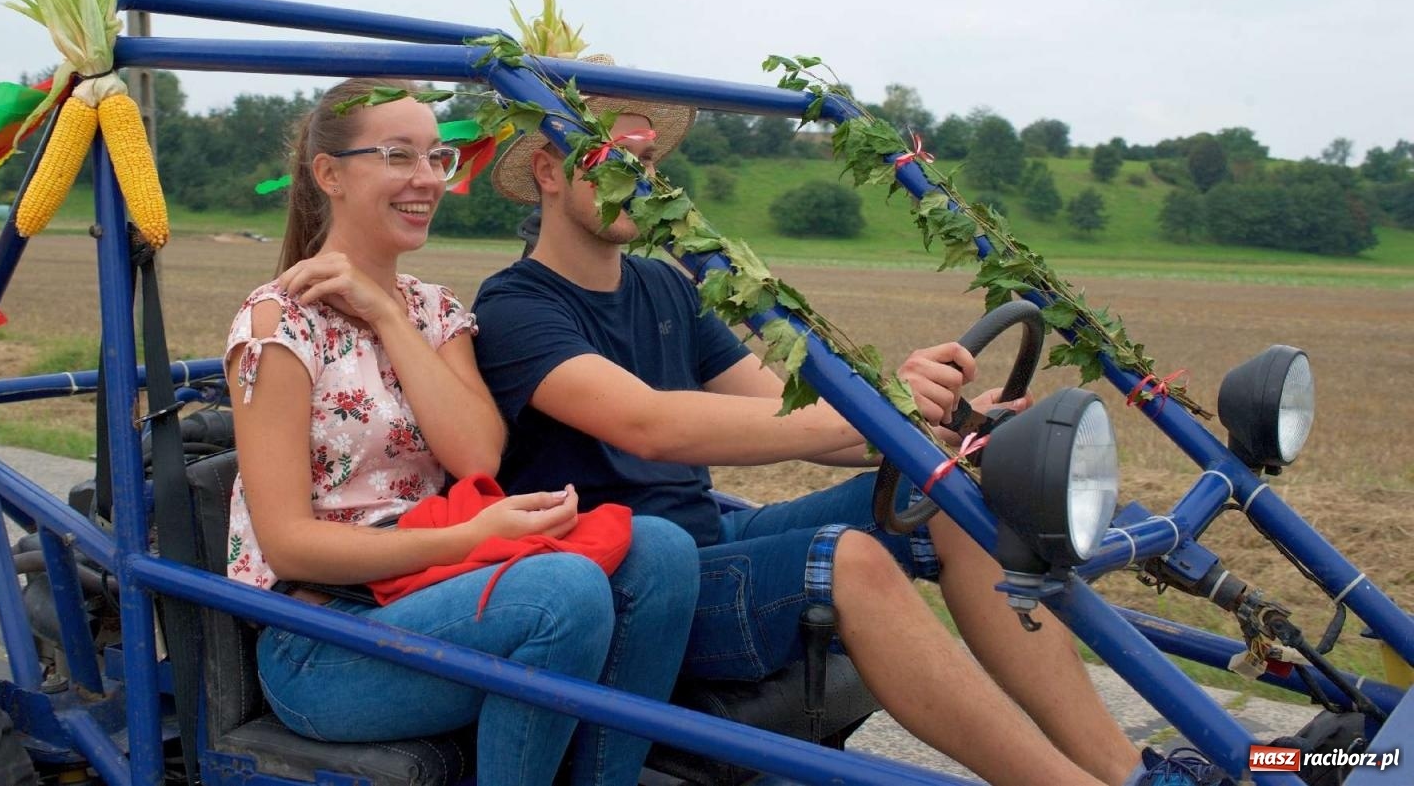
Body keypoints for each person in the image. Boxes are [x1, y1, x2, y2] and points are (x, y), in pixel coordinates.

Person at [471, 89, 1228, 786]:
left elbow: (792, 415)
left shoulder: (665, 285)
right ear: (546, 169)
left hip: (710, 542)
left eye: (647, 161)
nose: (637, 177)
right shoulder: (515, 307)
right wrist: (880, 408)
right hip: (627, 592)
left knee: (952, 497)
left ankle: (1130, 771)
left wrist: (935, 426)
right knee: (853, 561)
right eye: (612, 158)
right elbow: (650, 423)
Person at [224, 78, 699, 786]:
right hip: (328, 638)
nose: (426, 179)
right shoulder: (279, 323)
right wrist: (477, 537)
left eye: (436, 157)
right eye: (397, 155)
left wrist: (385, 313)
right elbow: (288, 541)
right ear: (331, 175)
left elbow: (476, 453)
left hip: (433, 588)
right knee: (562, 594)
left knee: (662, 549)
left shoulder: (434, 310)